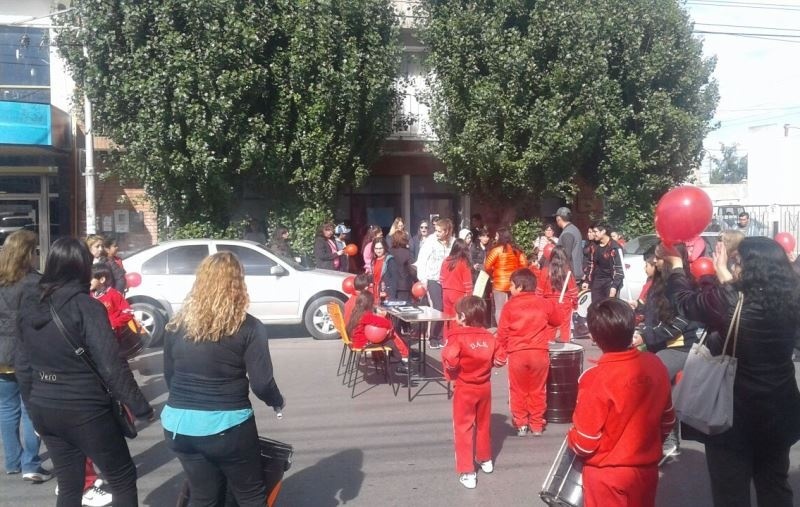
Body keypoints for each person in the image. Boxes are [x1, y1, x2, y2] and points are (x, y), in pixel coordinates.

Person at [16, 237, 153, 507]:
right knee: (123, 477)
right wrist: (140, 407)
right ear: (82, 267)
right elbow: (110, 365)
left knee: (70, 484)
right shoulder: (86, 307)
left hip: (45, 405)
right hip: (85, 407)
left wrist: (34, 410)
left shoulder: (31, 305)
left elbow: (22, 365)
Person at [665, 237, 800, 507]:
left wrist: (677, 266)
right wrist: (725, 279)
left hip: (733, 415)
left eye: (736, 261)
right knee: (774, 486)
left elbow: (685, 302)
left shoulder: (728, 299)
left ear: (746, 266)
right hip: (779, 410)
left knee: (731, 492)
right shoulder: (792, 299)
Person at [162, 252, 285, 506]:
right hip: (227, 428)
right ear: (239, 285)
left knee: (204, 496)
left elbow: (169, 375)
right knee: (250, 495)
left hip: (178, 426)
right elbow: (261, 383)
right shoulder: (250, 327)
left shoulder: (177, 325)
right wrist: (277, 401)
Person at [567, 298, 675, 507]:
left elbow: (584, 443)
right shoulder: (655, 365)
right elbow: (668, 419)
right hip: (646, 471)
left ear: (594, 337)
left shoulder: (595, 379)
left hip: (607, 475)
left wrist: (571, 436)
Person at [441, 296, 506, 489]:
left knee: (463, 428)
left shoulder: (456, 336)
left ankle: (467, 471)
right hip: (484, 386)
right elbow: (501, 359)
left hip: (464, 387)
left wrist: (452, 373)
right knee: (484, 424)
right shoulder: (489, 337)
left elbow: (450, 360)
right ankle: (485, 460)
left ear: (462, 317)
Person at [0, 230, 50, 482]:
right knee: (30, 410)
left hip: (0, 356)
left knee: (6, 411)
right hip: (27, 354)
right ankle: (30, 463)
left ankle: (12, 461)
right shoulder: (35, 282)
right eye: (35, 251)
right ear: (28, 253)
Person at [496, 269, 564, 436]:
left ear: (519, 287)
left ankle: (521, 423)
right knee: (538, 389)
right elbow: (557, 320)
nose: (510, 289)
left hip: (517, 353)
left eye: (512, 285)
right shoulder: (544, 303)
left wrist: (500, 354)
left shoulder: (509, 305)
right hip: (539, 353)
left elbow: (503, 333)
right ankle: (537, 424)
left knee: (518, 390)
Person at [414, 218, 455, 348]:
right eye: (436, 230)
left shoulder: (453, 242)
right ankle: (433, 337)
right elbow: (422, 260)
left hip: (447, 279)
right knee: (437, 307)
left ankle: (443, 336)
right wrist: (423, 279)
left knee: (447, 308)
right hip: (432, 278)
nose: (436, 233)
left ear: (447, 231)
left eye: (439, 231)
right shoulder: (430, 241)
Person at [346, 290, 411, 374]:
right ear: (369, 304)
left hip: (356, 341)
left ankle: (384, 358)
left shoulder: (356, 312)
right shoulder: (366, 315)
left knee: (387, 338)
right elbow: (385, 323)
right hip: (363, 343)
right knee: (391, 340)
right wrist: (387, 324)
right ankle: (402, 360)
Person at [484, 227, 528, 325]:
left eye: (496, 235)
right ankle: (513, 328)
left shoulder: (496, 250)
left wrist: (492, 274)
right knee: (513, 307)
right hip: (514, 283)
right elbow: (524, 265)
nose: (495, 237)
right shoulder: (517, 250)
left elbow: (487, 266)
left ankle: (501, 330)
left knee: (500, 308)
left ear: (500, 237)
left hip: (499, 284)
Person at [535, 245, 578, 343]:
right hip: (565, 302)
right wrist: (575, 304)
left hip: (548, 302)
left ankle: (550, 348)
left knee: (549, 325)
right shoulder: (568, 271)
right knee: (564, 326)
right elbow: (573, 291)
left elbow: (539, 290)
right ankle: (564, 348)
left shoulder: (546, 271)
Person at [440, 239, 474, 340]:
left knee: (447, 317)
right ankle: (455, 339)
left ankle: (446, 338)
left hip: (446, 291)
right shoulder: (464, 262)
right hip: (459, 293)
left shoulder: (446, 260)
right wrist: (469, 296)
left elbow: (441, 278)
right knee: (457, 317)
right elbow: (468, 282)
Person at [582, 223, 624, 303]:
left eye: (596, 232)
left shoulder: (614, 247)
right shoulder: (593, 246)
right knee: (596, 308)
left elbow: (619, 269)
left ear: (603, 231)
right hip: (597, 282)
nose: (594, 234)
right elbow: (590, 264)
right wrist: (587, 280)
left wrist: (614, 286)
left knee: (608, 309)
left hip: (610, 282)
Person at [554, 207, 583, 282]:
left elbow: (566, 255)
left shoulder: (567, 233)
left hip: (570, 275)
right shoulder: (573, 229)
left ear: (559, 218)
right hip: (573, 272)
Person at [388, 231, 414, 301]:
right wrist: (416, 280)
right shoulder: (407, 252)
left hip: (391, 285)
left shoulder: (389, 251)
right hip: (404, 285)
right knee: (404, 309)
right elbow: (411, 270)